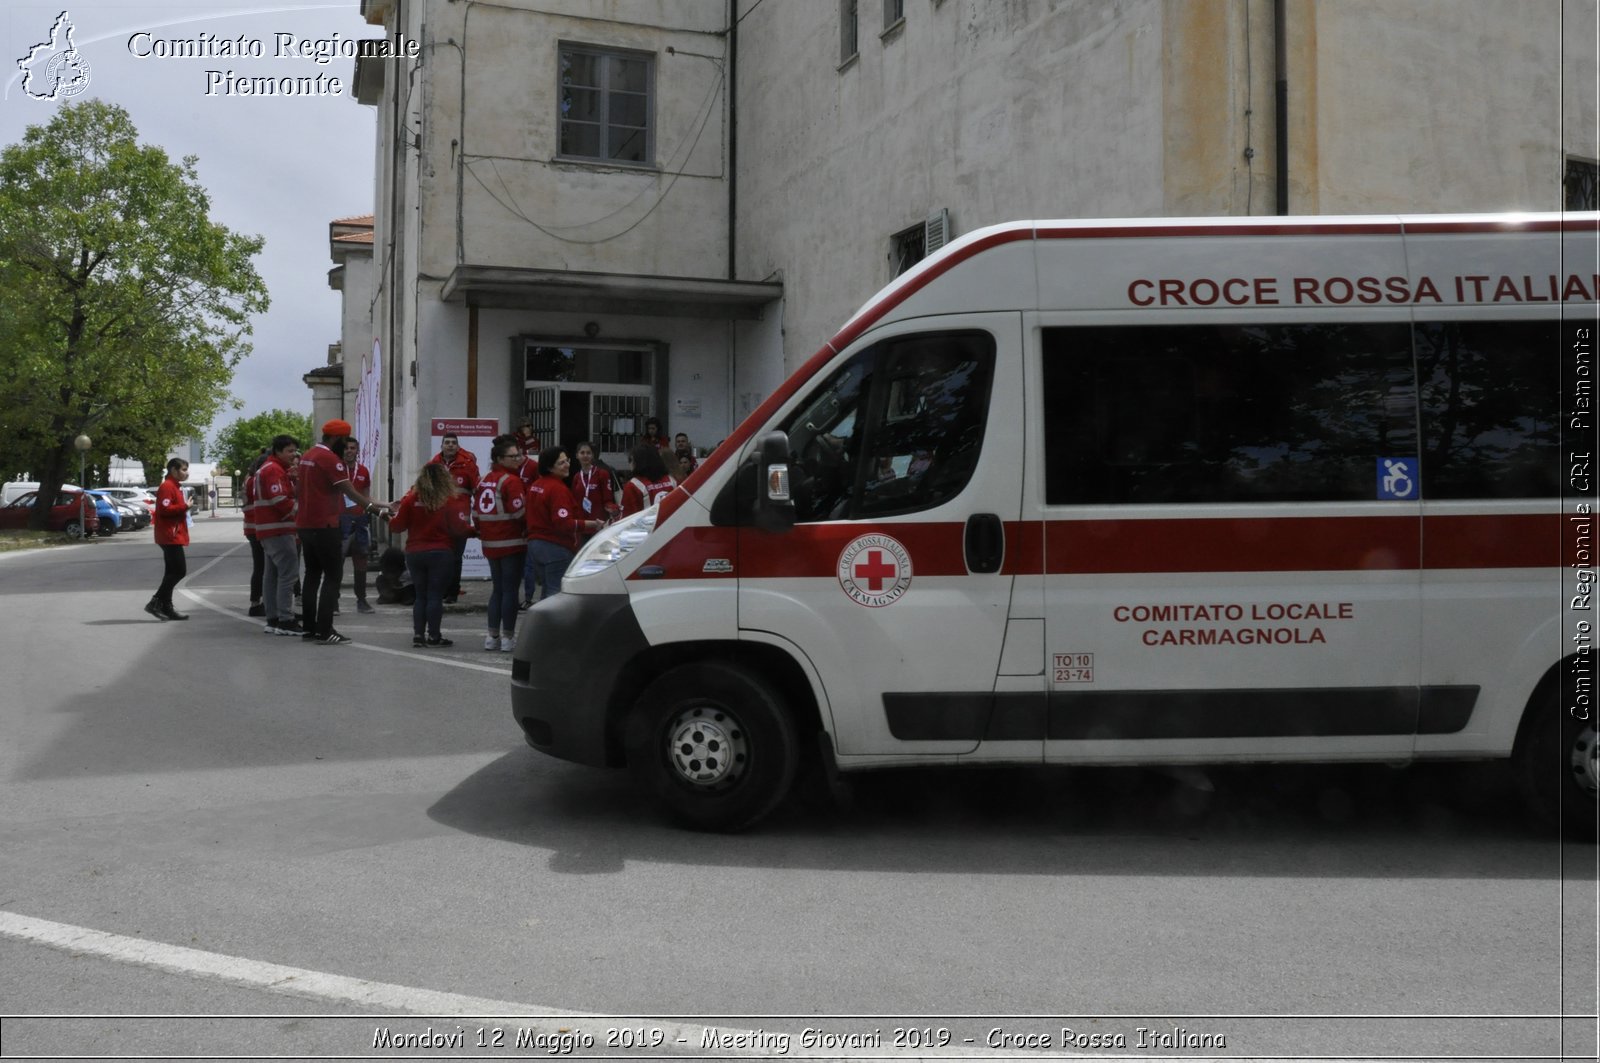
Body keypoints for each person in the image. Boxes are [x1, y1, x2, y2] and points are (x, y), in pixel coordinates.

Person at [296, 419, 390, 646]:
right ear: (336, 439)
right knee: (332, 577)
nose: (346, 446)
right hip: (325, 526)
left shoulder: (308, 456)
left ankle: (309, 628)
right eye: (344, 440)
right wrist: (378, 512)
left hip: (305, 525)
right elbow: (352, 492)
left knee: (311, 575)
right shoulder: (329, 459)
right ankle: (325, 630)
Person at [389, 462, 472, 647]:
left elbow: (397, 526)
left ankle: (418, 635)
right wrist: (475, 531)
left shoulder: (411, 499)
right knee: (435, 595)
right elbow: (459, 528)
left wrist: (389, 518)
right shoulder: (449, 500)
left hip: (415, 553)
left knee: (421, 595)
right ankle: (434, 636)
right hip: (441, 553)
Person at [526, 445, 602, 600]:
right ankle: (552, 625)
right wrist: (593, 524)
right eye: (561, 463)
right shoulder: (557, 489)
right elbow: (563, 523)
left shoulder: (536, 485)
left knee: (547, 592)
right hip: (555, 546)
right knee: (556, 595)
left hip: (536, 546)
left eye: (567, 460)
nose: (567, 465)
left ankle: (544, 624)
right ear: (549, 467)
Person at [476, 435, 527, 651]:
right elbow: (520, 512)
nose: (519, 459)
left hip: (490, 543)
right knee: (510, 591)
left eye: (519, 455)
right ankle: (507, 638)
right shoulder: (511, 481)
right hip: (512, 542)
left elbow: (476, 513)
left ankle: (491, 636)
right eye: (513, 456)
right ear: (500, 458)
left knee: (497, 590)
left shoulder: (483, 479)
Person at [254, 434, 302, 636]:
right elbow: (280, 499)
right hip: (279, 529)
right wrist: (301, 509)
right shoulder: (273, 470)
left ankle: (273, 618)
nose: (294, 455)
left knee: (272, 575)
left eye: (294, 450)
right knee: (288, 575)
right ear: (278, 451)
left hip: (268, 529)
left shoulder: (269, 469)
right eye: (290, 451)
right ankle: (285, 619)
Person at [430, 432, 480, 603]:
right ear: (442, 445)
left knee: (456, 556)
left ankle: (453, 592)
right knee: (440, 555)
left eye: (453, 443)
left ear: (458, 446)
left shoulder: (467, 465)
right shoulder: (434, 465)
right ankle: (441, 590)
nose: (450, 445)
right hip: (438, 517)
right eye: (447, 442)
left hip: (460, 517)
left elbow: (477, 490)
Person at [146, 457, 191, 621]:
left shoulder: (175, 487)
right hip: (169, 535)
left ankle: (167, 605)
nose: (187, 473)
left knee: (171, 572)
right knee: (179, 571)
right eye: (183, 470)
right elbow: (165, 509)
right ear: (173, 470)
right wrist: (185, 506)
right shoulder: (167, 487)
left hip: (173, 534)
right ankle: (156, 601)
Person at [339, 438, 376, 614]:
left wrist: (380, 508)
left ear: (357, 451)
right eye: (346, 448)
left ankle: (361, 600)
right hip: (341, 520)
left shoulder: (363, 471)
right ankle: (333, 601)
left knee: (361, 560)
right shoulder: (337, 469)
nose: (349, 451)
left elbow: (367, 498)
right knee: (336, 562)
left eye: (352, 448)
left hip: (360, 519)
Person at [569, 440, 618, 541]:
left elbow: (608, 499)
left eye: (588, 453)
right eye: (582, 453)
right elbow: (574, 501)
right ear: (577, 455)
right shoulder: (577, 477)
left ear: (593, 455)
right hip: (582, 526)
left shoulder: (602, 474)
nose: (585, 455)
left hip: (599, 524)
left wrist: (613, 510)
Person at [241, 448, 269, 616]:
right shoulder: (256, 480)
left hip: (251, 526)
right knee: (263, 567)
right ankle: (259, 602)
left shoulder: (249, 479)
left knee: (260, 566)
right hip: (259, 526)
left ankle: (256, 601)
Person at [620, 443, 677, 516]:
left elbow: (627, 518)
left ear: (638, 462)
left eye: (630, 460)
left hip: (646, 526)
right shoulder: (671, 480)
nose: (629, 464)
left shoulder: (633, 485)